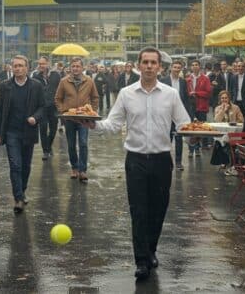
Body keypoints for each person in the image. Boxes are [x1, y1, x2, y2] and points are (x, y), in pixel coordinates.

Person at [81, 47, 190, 281]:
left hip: (162, 160)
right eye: (145, 62)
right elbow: (113, 123)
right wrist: (94, 125)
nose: (149, 66)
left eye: (154, 63)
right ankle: (141, 260)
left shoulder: (170, 94)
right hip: (136, 160)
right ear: (138, 65)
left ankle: (151, 249)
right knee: (138, 211)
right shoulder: (126, 93)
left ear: (160, 67)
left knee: (158, 210)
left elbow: (183, 123)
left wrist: (196, 135)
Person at [0, 55, 45, 213]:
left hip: (28, 131)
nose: (17, 68)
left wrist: (34, 118)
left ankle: (22, 191)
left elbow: (43, 107)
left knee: (25, 166)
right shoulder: (5, 86)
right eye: (15, 66)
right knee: (15, 165)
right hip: (11, 132)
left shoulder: (36, 86)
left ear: (27, 68)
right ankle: (17, 198)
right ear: (11, 67)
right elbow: (0, 111)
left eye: (21, 66)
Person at [55, 57, 99, 181]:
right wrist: (63, 110)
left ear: (82, 68)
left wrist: (92, 111)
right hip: (70, 118)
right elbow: (58, 98)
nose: (75, 68)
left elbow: (95, 97)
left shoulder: (89, 81)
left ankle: (83, 170)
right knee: (71, 144)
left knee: (83, 143)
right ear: (70, 68)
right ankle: (74, 168)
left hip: (84, 118)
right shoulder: (64, 81)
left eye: (78, 66)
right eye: (73, 66)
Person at [160, 60, 190, 170]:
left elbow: (186, 99)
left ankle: (178, 162)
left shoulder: (183, 82)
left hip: (179, 115)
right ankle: (166, 162)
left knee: (179, 139)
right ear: (171, 68)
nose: (177, 69)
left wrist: (188, 114)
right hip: (167, 115)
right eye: (175, 67)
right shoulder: (163, 81)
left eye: (179, 67)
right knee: (167, 139)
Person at [31, 56, 60, 160]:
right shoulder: (35, 76)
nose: (41, 66)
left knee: (53, 129)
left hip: (53, 107)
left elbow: (60, 89)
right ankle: (45, 151)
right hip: (42, 107)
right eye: (39, 64)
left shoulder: (56, 75)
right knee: (43, 129)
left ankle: (49, 145)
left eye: (43, 64)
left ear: (48, 64)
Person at [185, 60, 211, 157]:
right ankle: (191, 149)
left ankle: (198, 148)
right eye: (193, 65)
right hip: (191, 106)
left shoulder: (205, 78)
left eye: (196, 65)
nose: (194, 66)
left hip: (201, 106)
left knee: (200, 129)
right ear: (191, 67)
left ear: (200, 67)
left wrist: (196, 93)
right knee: (191, 128)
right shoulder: (188, 79)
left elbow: (208, 93)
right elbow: (185, 92)